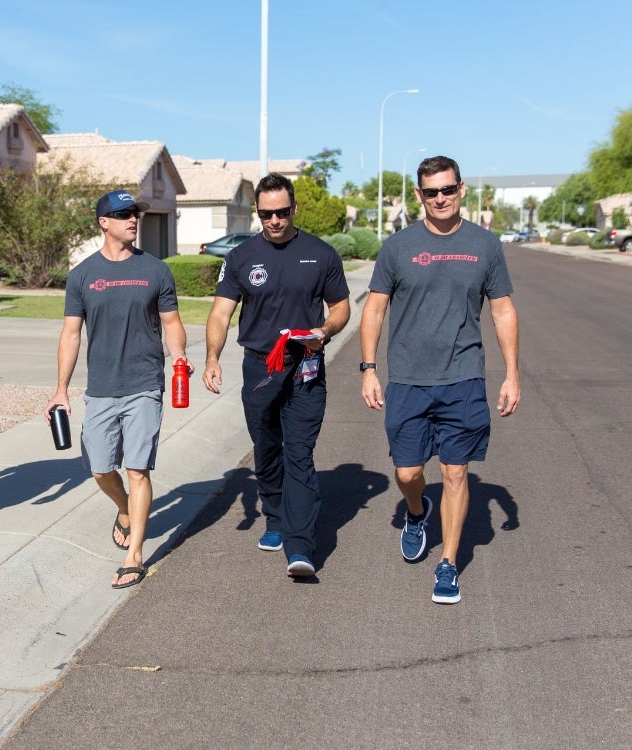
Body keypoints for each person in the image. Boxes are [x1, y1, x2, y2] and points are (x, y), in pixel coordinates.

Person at [359, 155, 521, 604]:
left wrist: (511, 374)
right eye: (431, 192)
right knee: (409, 472)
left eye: (448, 189)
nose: (441, 198)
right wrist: (368, 368)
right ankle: (416, 512)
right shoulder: (397, 247)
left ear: (461, 189)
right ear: (419, 195)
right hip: (408, 379)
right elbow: (374, 308)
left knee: (455, 471)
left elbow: (503, 309)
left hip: (463, 377)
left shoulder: (485, 245)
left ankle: (447, 563)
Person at [202, 173, 351, 578]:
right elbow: (220, 312)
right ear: (258, 213)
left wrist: (326, 330)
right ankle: (275, 516)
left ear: (294, 209)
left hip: (305, 366)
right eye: (266, 214)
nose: (275, 221)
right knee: (267, 449)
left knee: (299, 454)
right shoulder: (241, 257)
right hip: (259, 368)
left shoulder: (321, 254)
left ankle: (300, 546)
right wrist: (212, 358)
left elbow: (340, 308)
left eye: (282, 212)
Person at [45, 189, 188, 590]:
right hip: (102, 389)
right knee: (100, 467)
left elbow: (172, 322)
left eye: (134, 214)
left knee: (137, 469)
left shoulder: (156, 271)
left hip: (145, 384)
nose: (133, 220)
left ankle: (135, 555)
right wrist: (61, 389)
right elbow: (71, 335)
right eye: (123, 214)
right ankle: (124, 509)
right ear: (103, 222)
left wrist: (177, 355)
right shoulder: (83, 275)